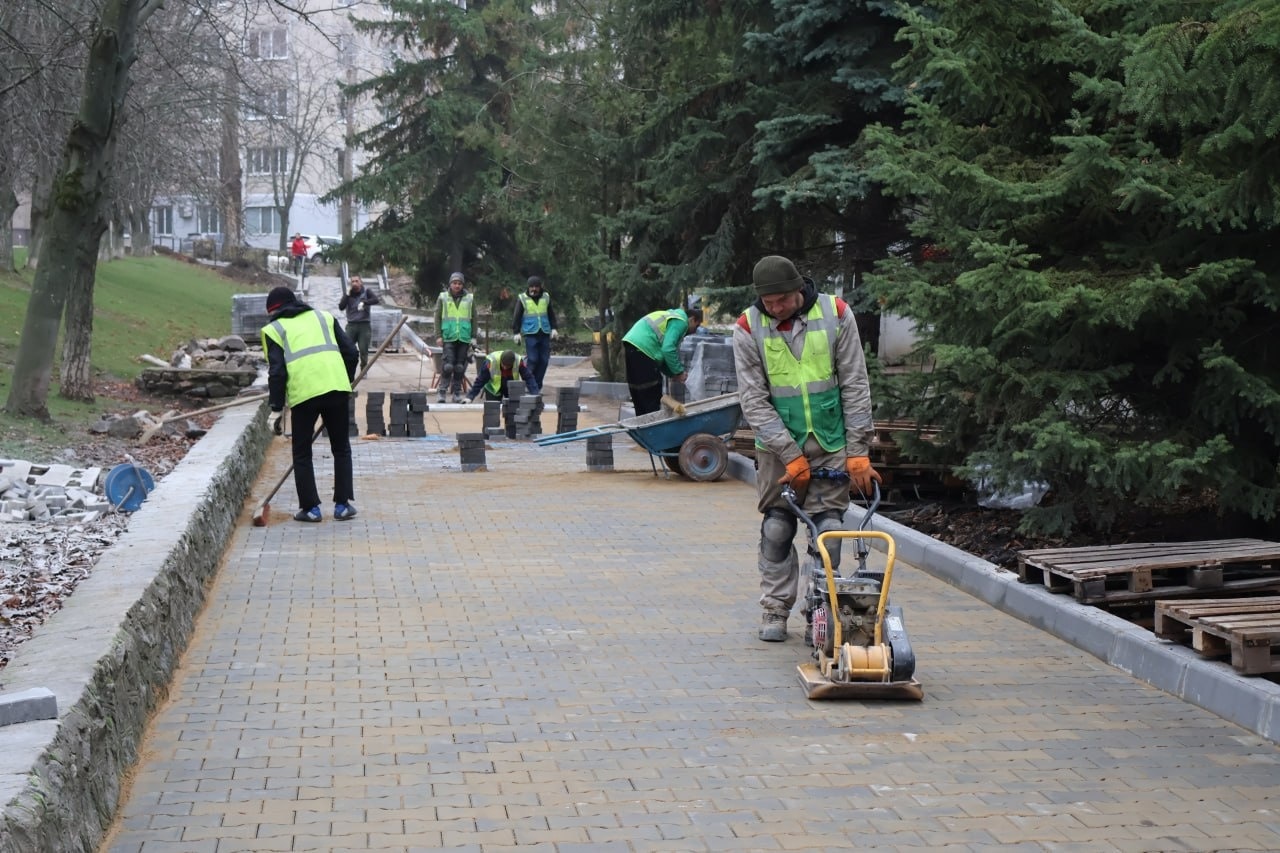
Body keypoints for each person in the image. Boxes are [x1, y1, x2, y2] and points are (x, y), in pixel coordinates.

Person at [732, 255, 881, 643]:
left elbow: (855, 383)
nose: (775, 308)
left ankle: (821, 606)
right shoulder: (749, 328)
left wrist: (859, 450)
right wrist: (790, 454)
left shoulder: (837, 314)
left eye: (782, 300)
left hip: (831, 444)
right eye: (768, 302)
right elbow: (754, 400)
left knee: (829, 530)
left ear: (799, 289)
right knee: (778, 528)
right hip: (777, 450)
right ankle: (775, 609)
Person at [261, 286, 360, 523]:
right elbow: (352, 353)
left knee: (302, 453)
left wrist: (276, 408)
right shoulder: (324, 317)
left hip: (304, 396)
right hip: (337, 390)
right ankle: (343, 506)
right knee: (341, 448)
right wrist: (343, 380)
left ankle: (311, 509)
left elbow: (277, 372)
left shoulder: (273, 329)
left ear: (273, 310)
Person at [620, 306, 702, 416]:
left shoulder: (671, 317)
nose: (694, 332)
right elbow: (668, 349)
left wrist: (672, 374)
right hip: (644, 347)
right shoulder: (681, 322)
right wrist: (679, 372)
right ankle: (652, 428)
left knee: (639, 392)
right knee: (652, 391)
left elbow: (661, 356)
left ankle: (643, 425)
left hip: (632, 345)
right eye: (696, 327)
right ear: (692, 319)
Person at [435, 271, 476, 403]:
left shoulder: (469, 298)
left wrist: (474, 337)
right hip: (448, 336)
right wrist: (438, 336)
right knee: (448, 366)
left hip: (464, 337)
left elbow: (474, 318)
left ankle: (456, 392)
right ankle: (442, 392)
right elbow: (437, 317)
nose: (457, 286)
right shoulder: (443, 297)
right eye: (454, 283)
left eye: (459, 283)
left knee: (459, 367)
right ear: (450, 284)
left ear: (462, 285)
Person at [511, 275, 558, 390]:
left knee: (544, 361)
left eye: (536, 286)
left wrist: (554, 328)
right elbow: (517, 315)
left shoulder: (546, 297)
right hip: (530, 333)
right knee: (533, 359)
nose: (534, 289)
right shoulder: (522, 298)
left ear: (540, 287)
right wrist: (516, 332)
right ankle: (529, 383)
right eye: (531, 287)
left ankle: (537, 386)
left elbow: (551, 314)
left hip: (544, 333)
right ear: (528, 287)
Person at [337, 275, 381, 373]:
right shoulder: (348, 294)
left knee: (363, 350)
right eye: (352, 281)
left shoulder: (367, 292)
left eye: (356, 281)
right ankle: (346, 370)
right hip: (351, 325)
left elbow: (376, 300)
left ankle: (363, 370)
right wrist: (346, 295)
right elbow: (341, 307)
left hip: (364, 325)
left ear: (360, 282)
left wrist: (365, 302)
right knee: (346, 348)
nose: (354, 283)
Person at [465, 349, 539, 402]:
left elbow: (528, 377)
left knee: (513, 414)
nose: (505, 368)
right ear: (501, 360)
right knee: (492, 414)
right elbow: (480, 380)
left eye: (508, 366)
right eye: (504, 365)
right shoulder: (491, 362)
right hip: (493, 389)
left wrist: (535, 394)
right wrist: (470, 397)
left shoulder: (518, 361)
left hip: (511, 388)